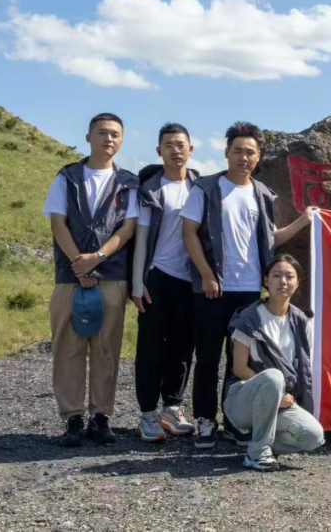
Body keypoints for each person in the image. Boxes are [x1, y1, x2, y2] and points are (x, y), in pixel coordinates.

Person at [181, 121, 316, 449]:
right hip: (213, 287)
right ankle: (205, 420)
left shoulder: (263, 194)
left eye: (250, 152)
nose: (244, 157)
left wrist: (303, 221)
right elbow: (189, 233)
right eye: (238, 151)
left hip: (249, 291)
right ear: (227, 153)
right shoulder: (206, 188)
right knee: (208, 356)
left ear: (258, 157)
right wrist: (206, 274)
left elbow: (270, 240)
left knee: (240, 360)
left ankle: (234, 422)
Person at [43, 113, 139, 446]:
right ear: (89, 137)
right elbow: (57, 223)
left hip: (111, 275)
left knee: (107, 348)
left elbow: (127, 229)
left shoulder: (128, 182)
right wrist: (78, 264)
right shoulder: (67, 177)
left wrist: (96, 258)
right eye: (102, 133)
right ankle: (72, 418)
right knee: (68, 347)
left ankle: (101, 416)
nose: (108, 139)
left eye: (114, 134)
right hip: (69, 277)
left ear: (121, 140)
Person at [131, 123, 201, 443]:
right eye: (169, 145)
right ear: (159, 151)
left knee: (183, 347)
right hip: (157, 276)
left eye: (181, 144)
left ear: (191, 149)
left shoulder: (200, 187)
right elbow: (141, 238)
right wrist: (138, 281)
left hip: (189, 280)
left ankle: (172, 408)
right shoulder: (151, 189)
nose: (175, 150)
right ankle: (147, 414)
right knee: (150, 347)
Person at [224, 254, 325, 470]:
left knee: (313, 437)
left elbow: (303, 368)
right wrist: (276, 392)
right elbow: (239, 368)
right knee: (273, 376)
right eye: (277, 275)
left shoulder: (301, 321)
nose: (283, 281)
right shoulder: (248, 318)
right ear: (266, 280)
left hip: (281, 403)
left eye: (290, 276)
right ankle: (257, 453)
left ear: (298, 283)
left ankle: (262, 443)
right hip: (243, 400)